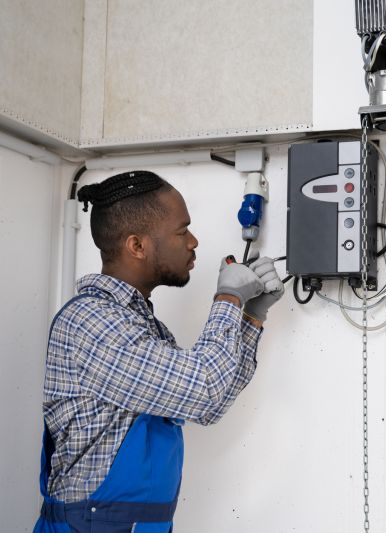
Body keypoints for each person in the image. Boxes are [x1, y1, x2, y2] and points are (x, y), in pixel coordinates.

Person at [32, 170, 284, 533]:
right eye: (182, 231)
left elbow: (212, 403)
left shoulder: (139, 324)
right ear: (137, 245)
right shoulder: (92, 323)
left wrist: (251, 316)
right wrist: (229, 298)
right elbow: (205, 392)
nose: (193, 241)